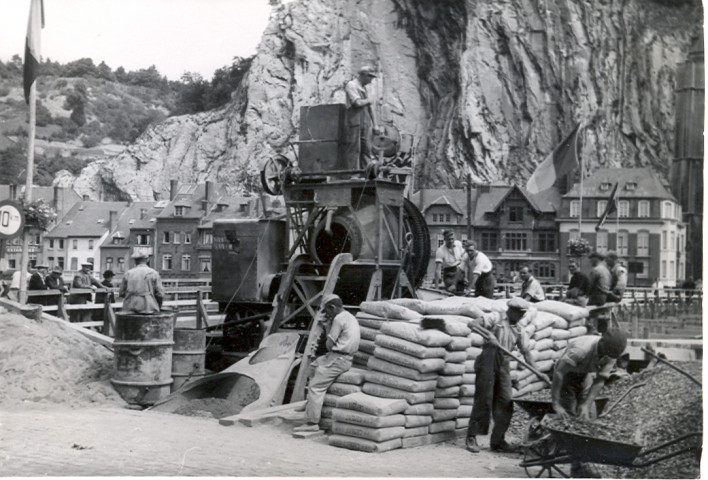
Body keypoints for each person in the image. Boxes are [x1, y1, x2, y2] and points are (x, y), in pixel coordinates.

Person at [465, 298, 549, 453]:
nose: (522, 316)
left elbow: (526, 353)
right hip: (488, 360)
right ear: (512, 310)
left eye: (524, 314)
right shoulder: (495, 318)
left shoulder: (519, 329)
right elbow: (472, 324)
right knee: (484, 398)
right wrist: (489, 335)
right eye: (520, 313)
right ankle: (471, 436)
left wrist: (538, 372)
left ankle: (497, 441)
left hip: (504, 364)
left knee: (506, 401)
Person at [294, 294, 360, 432]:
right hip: (340, 357)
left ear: (333, 307)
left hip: (338, 358)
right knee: (313, 366)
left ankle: (311, 423)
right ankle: (309, 404)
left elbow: (329, 345)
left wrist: (327, 325)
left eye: (327, 310)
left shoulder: (338, 319)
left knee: (315, 386)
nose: (326, 314)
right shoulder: (349, 316)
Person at [345, 65, 379, 169]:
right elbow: (357, 103)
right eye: (370, 77)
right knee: (354, 148)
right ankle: (353, 173)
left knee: (367, 148)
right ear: (363, 75)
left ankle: (367, 173)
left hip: (366, 123)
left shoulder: (364, 89)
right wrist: (369, 100)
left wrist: (375, 125)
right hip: (355, 122)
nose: (371, 81)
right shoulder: (351, 85)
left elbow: (370, 108)